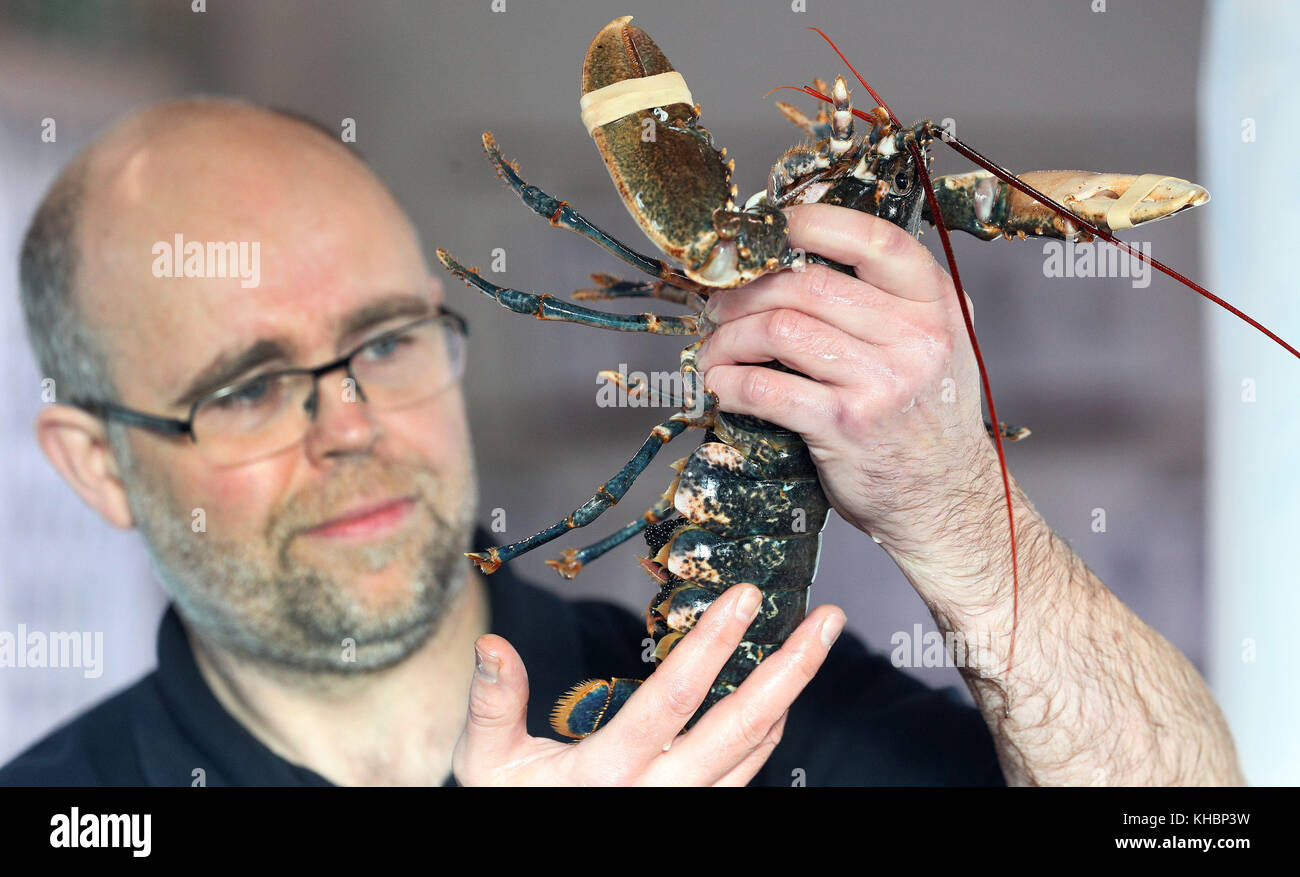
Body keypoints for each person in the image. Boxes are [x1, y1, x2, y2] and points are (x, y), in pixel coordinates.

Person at [0, 97, 1242, 787]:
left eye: (385, 343)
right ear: (97, 463)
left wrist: (961, 510)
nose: (353, 426)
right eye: (254, 387)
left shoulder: (753, 710)